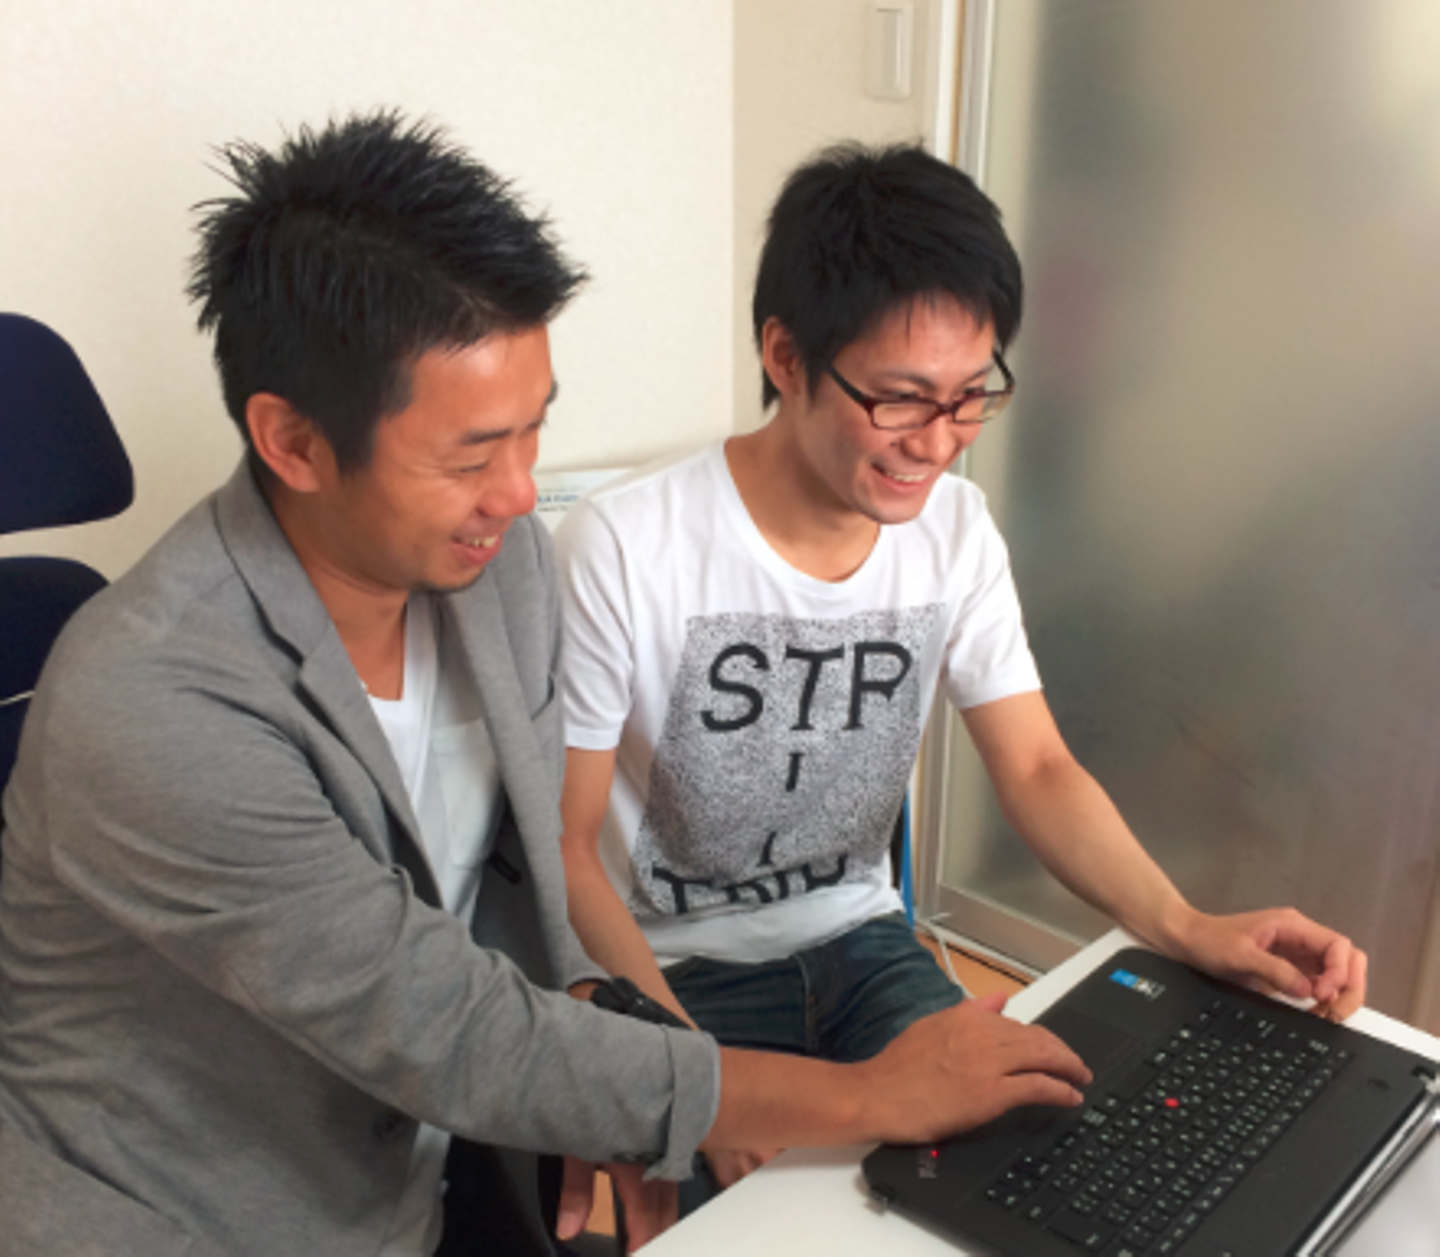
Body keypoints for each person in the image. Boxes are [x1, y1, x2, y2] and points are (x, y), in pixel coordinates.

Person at [0, 115, 1092, 1257]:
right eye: (472, 454)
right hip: (206, 1213)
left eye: (534, 431)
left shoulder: (497, 566)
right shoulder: (156, 703)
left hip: (435, 1154)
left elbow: (530, 865)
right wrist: (865, 1093)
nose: (522, 494)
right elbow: (440, 1025)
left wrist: (600, 1036)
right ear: (295, 442)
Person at [554, 142, 1369, 1193]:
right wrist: (695, 1081)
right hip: (678, 972)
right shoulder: (625, 546)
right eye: (900, 399)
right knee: (747, 1215)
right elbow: (568, 850)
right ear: (786, 356)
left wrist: (1186, 925)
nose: (938, 443)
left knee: (1023, 1167)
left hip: (860, 943)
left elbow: (1036, 766)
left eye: (970, 394)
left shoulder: (956, 531)